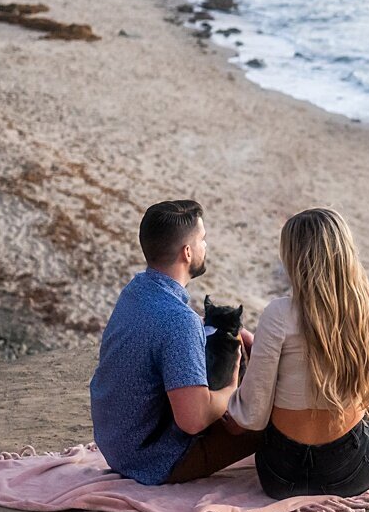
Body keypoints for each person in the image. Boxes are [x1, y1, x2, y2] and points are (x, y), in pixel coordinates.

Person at [225, 208, 369, 499]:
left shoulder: (277, 313)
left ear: (293, 257)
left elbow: (253, 415)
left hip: (281, 476)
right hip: (350, 473)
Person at [90, 200, 260, 485]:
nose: (207, 247)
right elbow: (192, 420)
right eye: (203, 240)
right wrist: (233, 389)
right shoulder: (179, 321)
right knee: (278, 415)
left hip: (118, 444)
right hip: (153, 461)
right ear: (188, 252)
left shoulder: (136, 292)